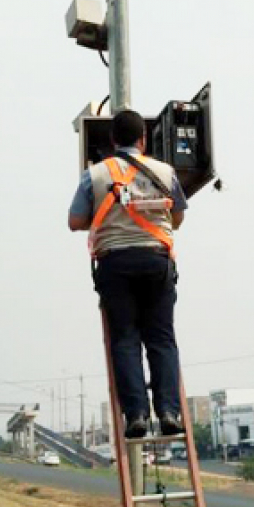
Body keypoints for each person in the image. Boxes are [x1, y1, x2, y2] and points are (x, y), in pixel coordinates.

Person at [68, 109, 189, 439]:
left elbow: (75, 222)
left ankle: (136, 415)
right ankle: (169, 412)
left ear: (111, 140)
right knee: (161, 339)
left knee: (125, 341)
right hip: (156, 261)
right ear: (144, 139)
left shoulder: (95, 175)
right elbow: (177, 217)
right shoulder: (164, 172)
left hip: (115, 264)